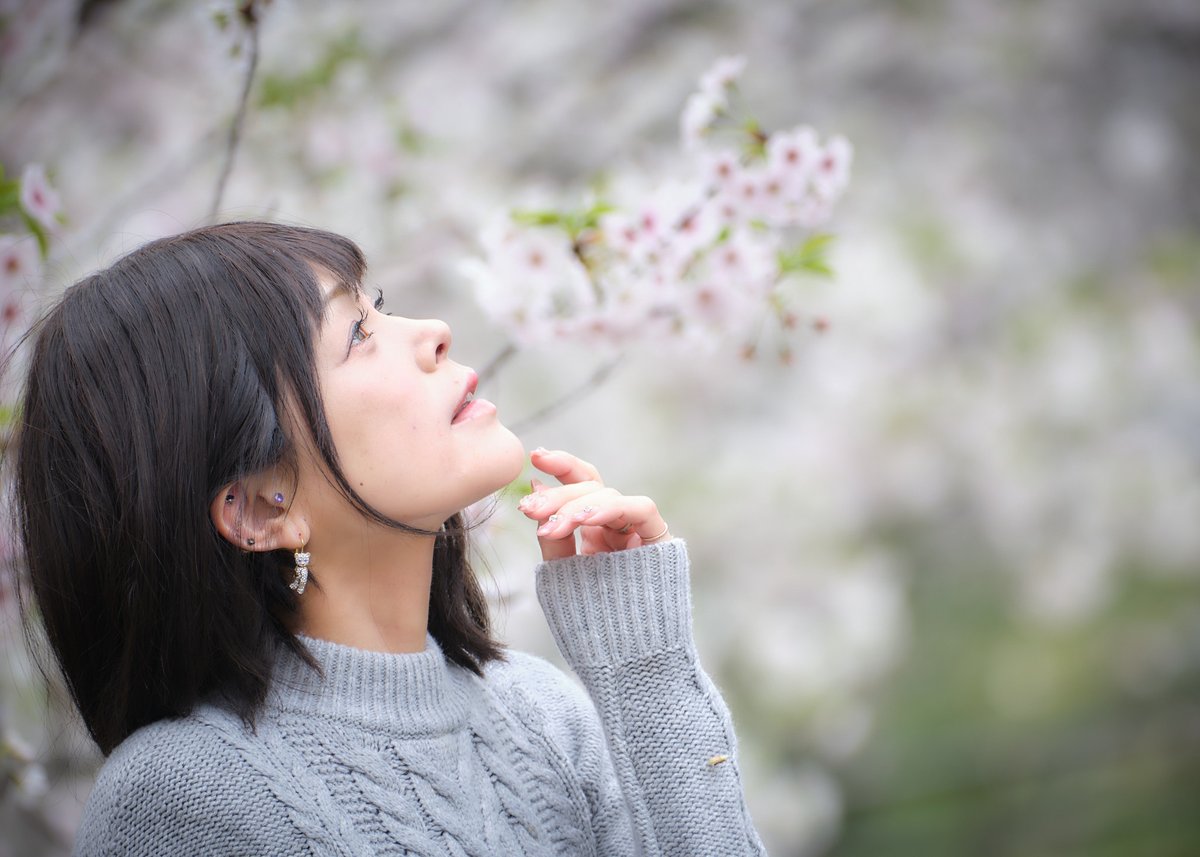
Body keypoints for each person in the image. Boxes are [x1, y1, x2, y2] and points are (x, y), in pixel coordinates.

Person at [11, 222, 767, 855]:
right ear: (263, 508)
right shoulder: (187, 799)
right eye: (357, 334)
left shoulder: (542, 716)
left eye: (379, 306)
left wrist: (644, 665)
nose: (433, 332)